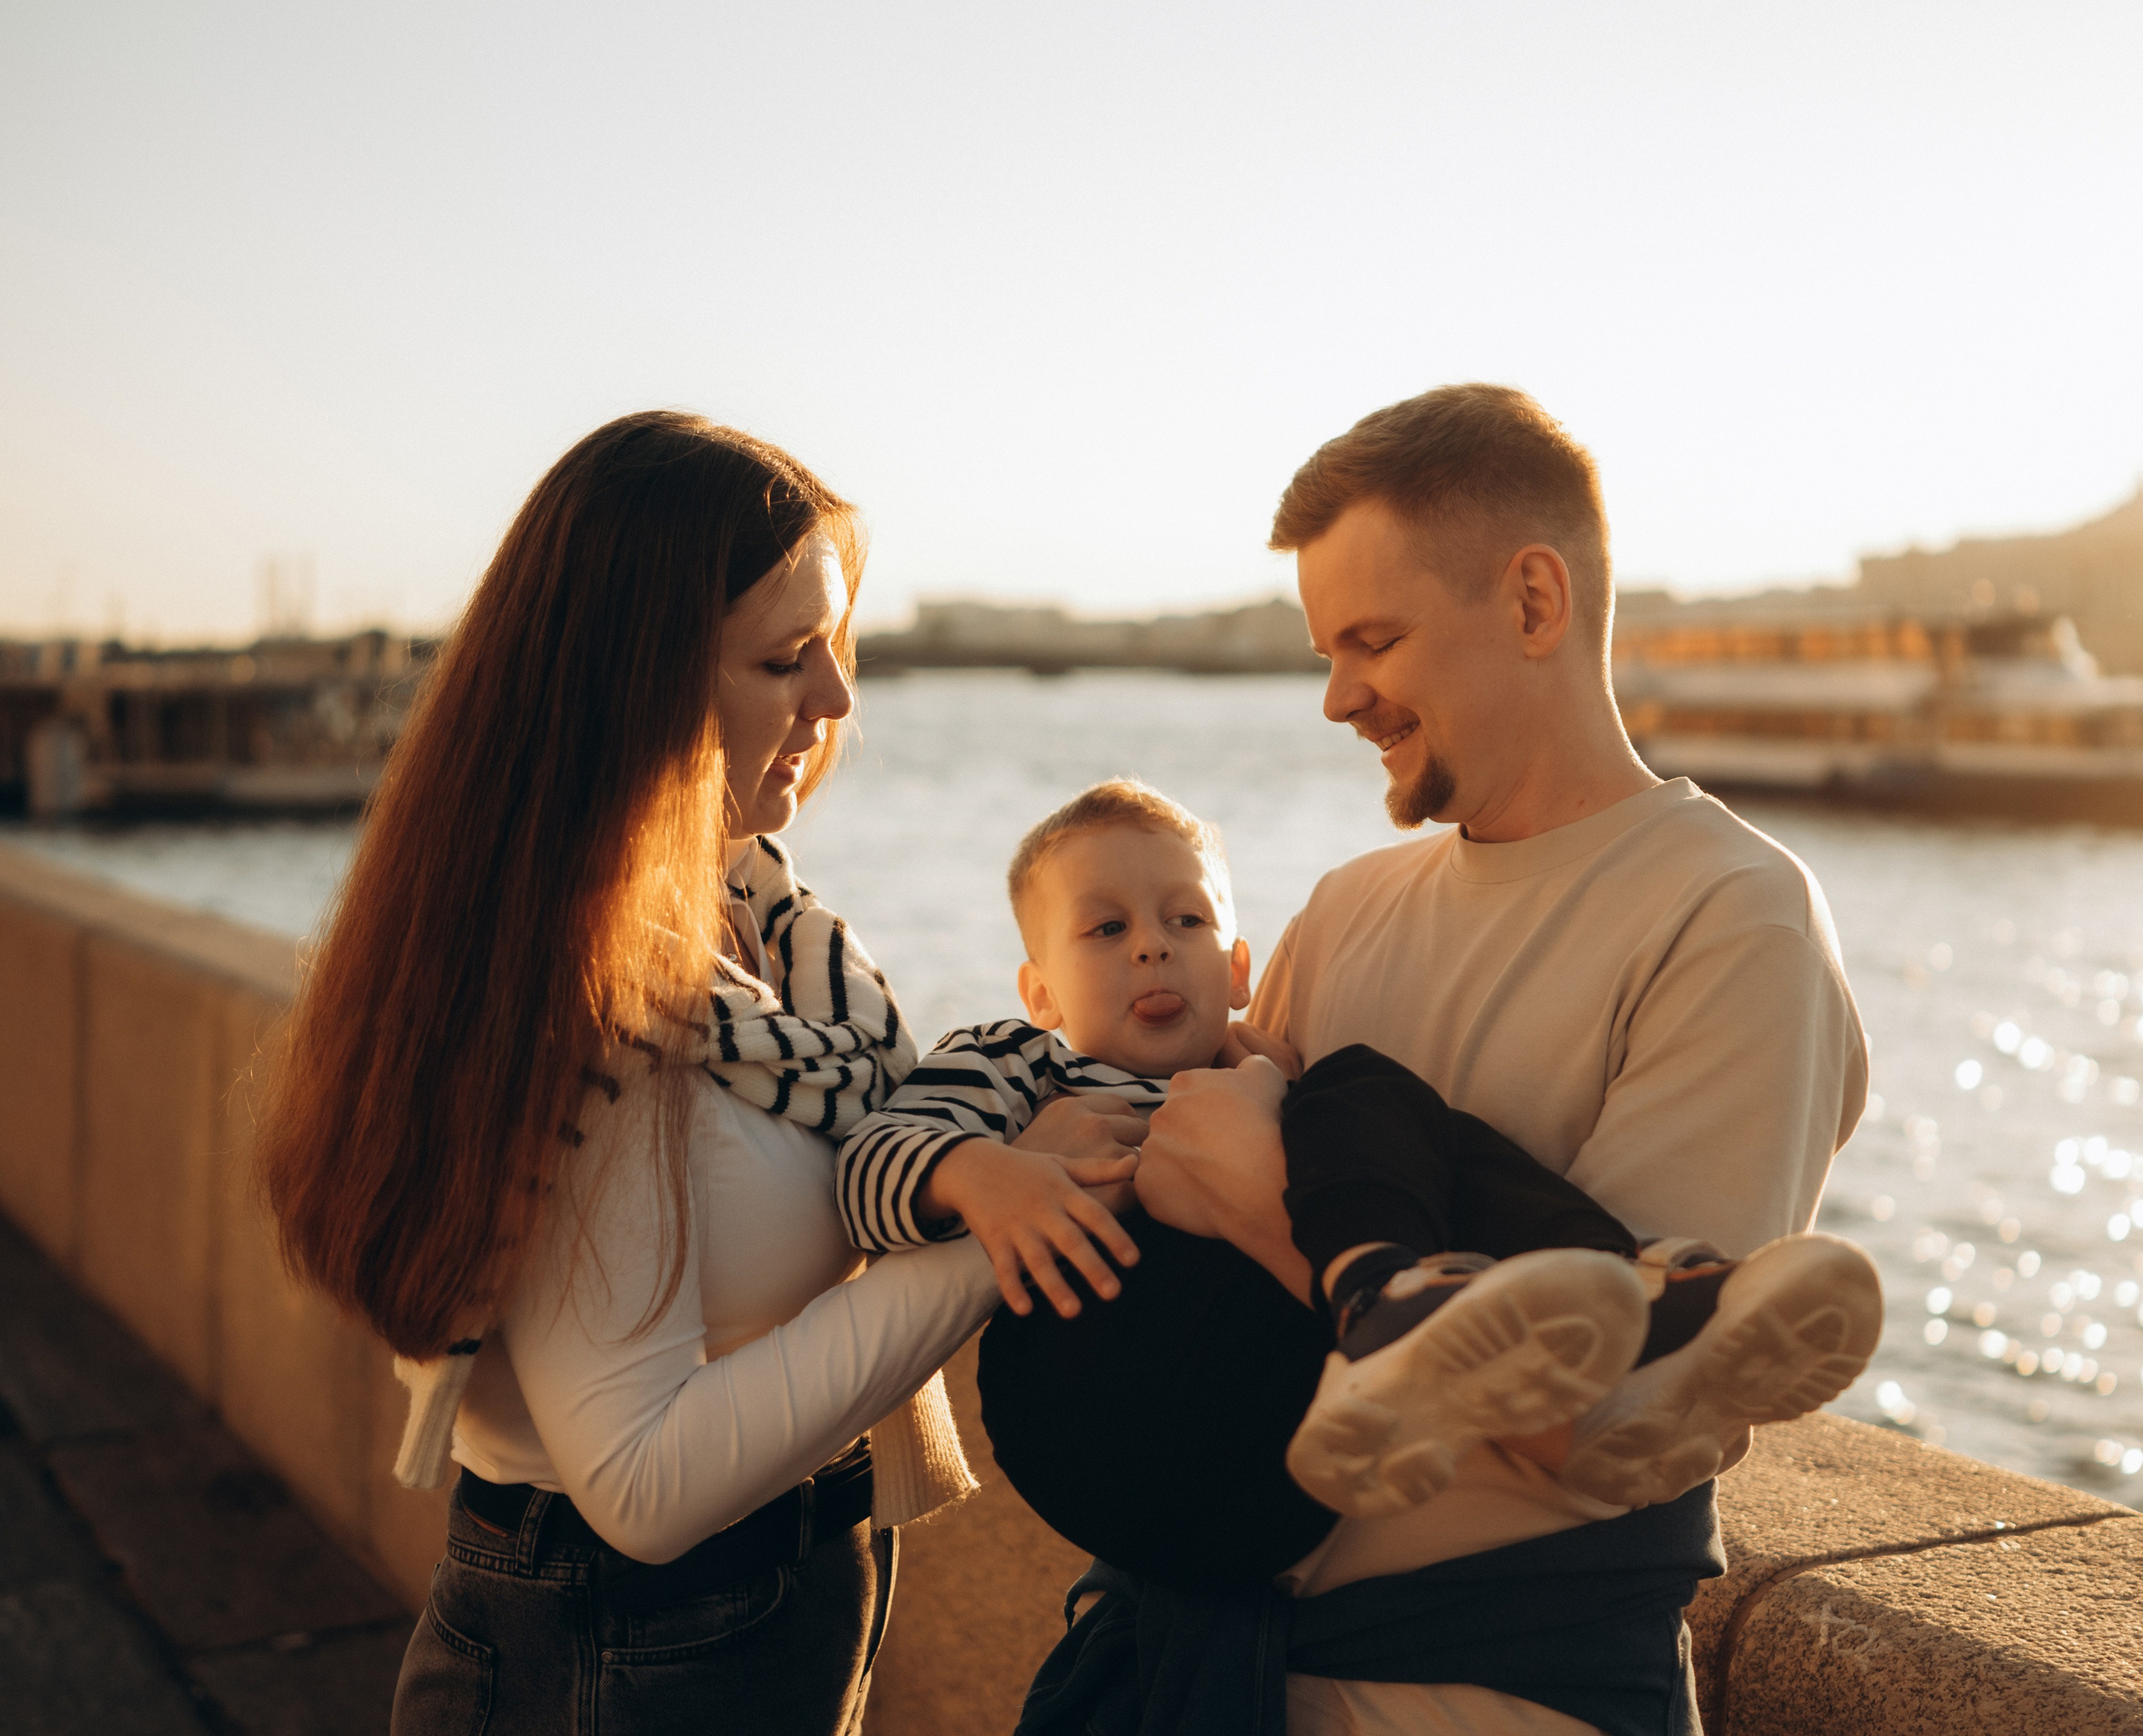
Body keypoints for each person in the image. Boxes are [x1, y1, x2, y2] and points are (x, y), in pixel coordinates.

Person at [252, 411, 1140, 1736]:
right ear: (635, 682)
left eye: (838, 648)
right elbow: (645, 1483)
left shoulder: (751, 925)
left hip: (731, 1616)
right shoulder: (596, 1001)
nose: (835, 701)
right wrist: (1011, 1225)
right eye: (786, 658)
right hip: (625, 1644)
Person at [1011, 384, 1870, 1736]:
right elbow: (1190, 1192)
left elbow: (1623, 1413)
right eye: (1324, 652)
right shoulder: (1349, 905)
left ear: (1535, 602)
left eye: (1374, 638)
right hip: (1206, 1671)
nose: (1341, 695)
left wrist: (1259, 1201)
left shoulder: (1729, 915)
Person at [840, 778, 1877, 1593]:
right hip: (1093, 1401)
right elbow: (868, 1169)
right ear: (1039, 990)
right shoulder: (1019, 1060)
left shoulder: (1269, 1072)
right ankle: (1386, 1294)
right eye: (1104, 929)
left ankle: (1634, 1284)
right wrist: (993, 1175)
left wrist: (1278, 1095)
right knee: (1351, 1093)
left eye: (1185, 921)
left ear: (1240, 966)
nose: (1152, 943)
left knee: (1374, 1103)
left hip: (1273, 1471)